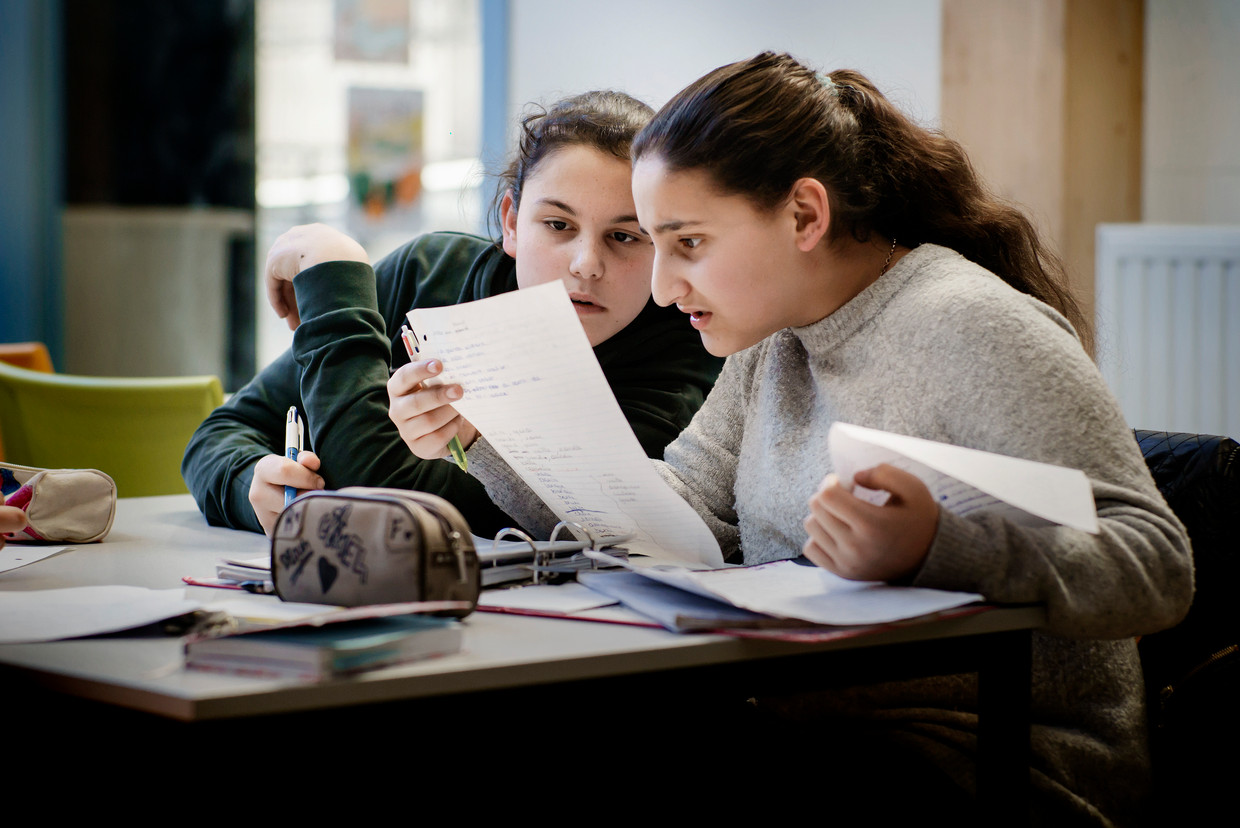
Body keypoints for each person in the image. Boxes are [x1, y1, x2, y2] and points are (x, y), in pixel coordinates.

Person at [431, 54, 1191, 825]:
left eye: (688, 243)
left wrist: (937, 545)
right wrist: (485, 435)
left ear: (804, 216)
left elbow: (1156, 569)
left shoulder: (969, 325)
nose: (662, 287)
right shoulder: (772, 339)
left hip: (988, 765)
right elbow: (676, 522)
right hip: (802, 728)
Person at [181, 90, 723, 538]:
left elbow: (399, 508)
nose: (586, 264)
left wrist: (333, 272)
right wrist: (251, 487)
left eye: (625, 236)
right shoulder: (428, 272)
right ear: (510, 222)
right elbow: (224, 430)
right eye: (557, 225)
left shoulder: (684, 349)